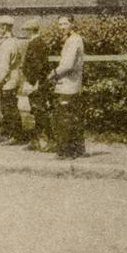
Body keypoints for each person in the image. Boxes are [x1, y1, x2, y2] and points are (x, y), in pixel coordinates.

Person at [49, 15, 86, 160]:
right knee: (73, 118)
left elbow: (67, 65)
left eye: (65, 24)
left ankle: (66, 152)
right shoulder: (73, 39)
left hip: (68, 85)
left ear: (72, 24)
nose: (62, 27)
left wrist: (53, 74)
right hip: (72, 84)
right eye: (60, 24)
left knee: (65, 119)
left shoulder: (73, 40)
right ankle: (78, 149)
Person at [19, 17, 55, 152]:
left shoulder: (36, 44)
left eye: (26, 30)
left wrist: (32, 83)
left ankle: (48, 140)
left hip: (36, 83)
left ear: (30, 30)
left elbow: (38, 66)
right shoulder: (37, 43)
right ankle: (39, 141)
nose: (25, 33)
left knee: (39, 111)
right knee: (37, 111)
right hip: (36, 82)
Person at [0, 16, 24, 143]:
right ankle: (7, 133)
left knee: (10, 109)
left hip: (8, 81)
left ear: (4, 27)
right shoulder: (12, 41)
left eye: (0, 27)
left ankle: (16, 136)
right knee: (7, 108)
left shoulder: (8, 44)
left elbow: (4, 67)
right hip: (11, 79)